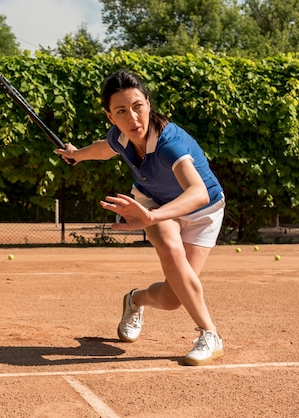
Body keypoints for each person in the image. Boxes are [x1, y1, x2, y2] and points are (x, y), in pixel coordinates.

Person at [56, 69, 226, 366]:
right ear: (110, 117)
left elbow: (197, 193)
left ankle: (135, 299)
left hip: (203, 210)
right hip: (154, 201)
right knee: (172, 252)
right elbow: (103, 149)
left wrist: (151, 216)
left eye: (138, 106)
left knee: (173, 299)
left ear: (148, 103)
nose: (132, 118)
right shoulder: (120, 137)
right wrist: (77, 154)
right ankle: (210, 334)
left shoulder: (169, 144)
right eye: (121, 111)